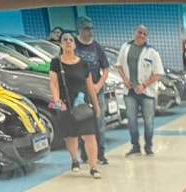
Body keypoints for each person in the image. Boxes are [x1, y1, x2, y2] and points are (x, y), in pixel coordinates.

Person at [49, 32, 102, 179]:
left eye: (70, 40)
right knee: (71, 136)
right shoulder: (56, 63)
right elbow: (53, 83)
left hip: (83, 105)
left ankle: (93, 167)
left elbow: (90, 86)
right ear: (61, 44)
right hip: (66, 105)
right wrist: (57, 101)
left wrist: (96, 105)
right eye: (65, 40)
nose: (68, 42)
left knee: (90, 136)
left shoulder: (83, 63)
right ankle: (74, 160)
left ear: (74, 44)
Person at [117, 25, 164, 156]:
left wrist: (144, 85)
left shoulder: (152, 52)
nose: (142, 35)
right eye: (139, 32)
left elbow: (159, 73)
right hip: (129, 92)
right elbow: (119, 66)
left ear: (147, 36)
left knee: (148, 121)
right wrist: (125, 80)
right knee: (131, 120)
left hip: (147, 93)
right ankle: (135, 146)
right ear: (134, 33)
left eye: (144, 34)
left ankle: (148, 146)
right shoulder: (125, 47)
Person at [75, 17, 110, 165]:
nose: (90, 32)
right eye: (87, 29)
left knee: (99, 123)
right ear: (79, 30)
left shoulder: (96, 47)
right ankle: (85, 154)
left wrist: (98, 85)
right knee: (82, 124)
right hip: (79, 93)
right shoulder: (73, 45)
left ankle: (100, 154)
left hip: (97, 91)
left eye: (91, 28)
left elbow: (106, 69)